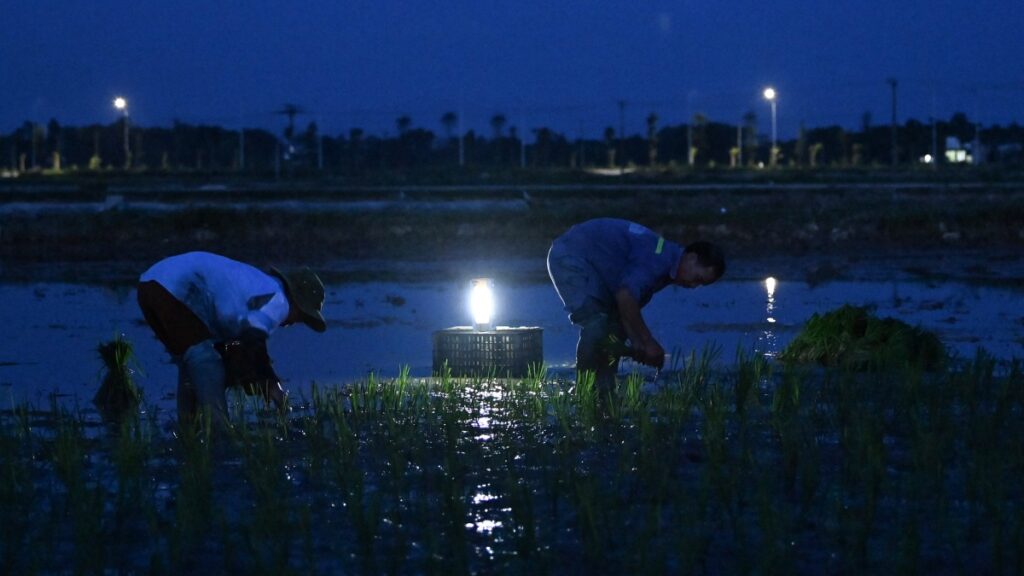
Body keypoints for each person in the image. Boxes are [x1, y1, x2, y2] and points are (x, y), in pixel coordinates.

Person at [136, 251, 327, 426]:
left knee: (192, 365)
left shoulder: (259, 286)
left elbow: (242, 341)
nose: (295, 322)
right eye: (301, 316)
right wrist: (270, 382)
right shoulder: (279, 300)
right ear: (295, 301)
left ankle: (189, 431)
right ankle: (220, 432)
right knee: (206, 362)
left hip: (150, 285)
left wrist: (257, 375)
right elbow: (253, 338)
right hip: (172, 287)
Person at [547, 218, 725, 391]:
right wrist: (648, 341)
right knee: (596, 325)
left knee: (615, 330)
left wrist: (638, 344)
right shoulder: (657, 257)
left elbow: (624, 311)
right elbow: (625, 296)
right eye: (697, 278)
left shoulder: (665, 269)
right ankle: (584, 391)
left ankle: (604, 388)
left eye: (701, 285)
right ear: (691, 257)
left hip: (600, 269)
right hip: (572, 256)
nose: (693, 286)